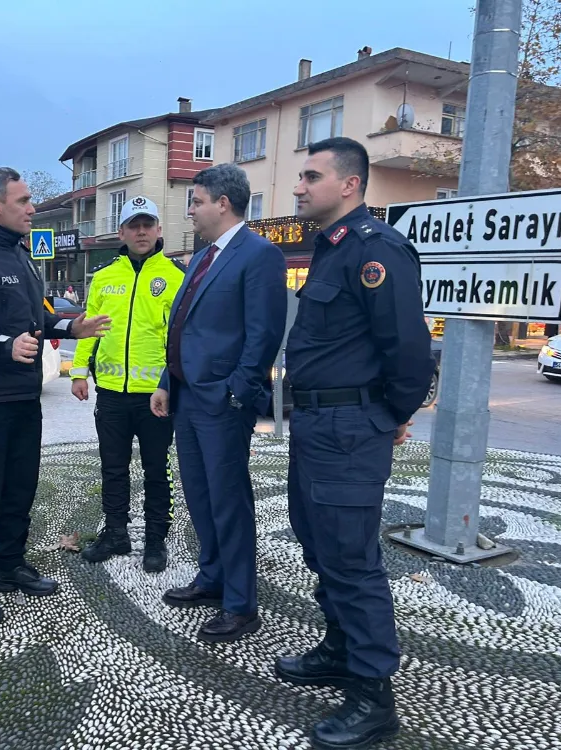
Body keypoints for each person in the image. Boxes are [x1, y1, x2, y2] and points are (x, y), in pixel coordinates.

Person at [276, 137, 433, 750]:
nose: (299, 187)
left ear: (349, 185)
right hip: (317, 424)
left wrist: (388, 414)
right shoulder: (331, 249)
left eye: (311, 176)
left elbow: (409, 349)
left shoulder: (377, 250)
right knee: (319, 544)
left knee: (351, 558)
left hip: (348, 428)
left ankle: (373, 696)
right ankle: (341, 649)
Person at [0, 167, 111, 627]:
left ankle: (11, 566)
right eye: (24, 201)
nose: (32, 208)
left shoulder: (19, 254)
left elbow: (36, 319)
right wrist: (4, 345)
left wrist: (71, 327)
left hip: (22, 398)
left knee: (20, 489)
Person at [151, 163, 287, 643]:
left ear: (223, 203)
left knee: (229, 501)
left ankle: (240, 604)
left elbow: (264, 334)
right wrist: (167, 381)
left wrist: (235, 393)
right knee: (200, 495)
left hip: (222, 404)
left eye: (196, 202)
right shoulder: (202, 257)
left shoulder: (259, 255)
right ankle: (211, 577)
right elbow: (182, 326)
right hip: (187, 397)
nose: (190, 210)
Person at [71, 196, 185, 573]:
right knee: (113, 468)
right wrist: (78, 371)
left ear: (158, 229)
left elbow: (180, 338)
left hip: (156, 396)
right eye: (133, 225)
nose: (141, 232)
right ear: (121, 232)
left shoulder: (175, 276)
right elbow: (89, 328)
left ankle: (155, 539)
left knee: (157, 470)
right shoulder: (104, 277)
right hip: (111, 394)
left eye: (147, 224)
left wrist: (173, 384)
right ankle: (116, 534)